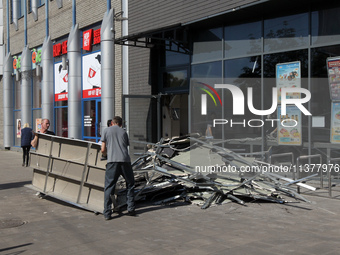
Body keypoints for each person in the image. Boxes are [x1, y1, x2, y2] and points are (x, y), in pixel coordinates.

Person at [101, 116, 136, 220]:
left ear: (112, 123)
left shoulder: (106, 130)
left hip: (112, 161)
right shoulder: (124, 132)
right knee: (130, 184)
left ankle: (107, 213)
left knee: (109, 186)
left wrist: (105, 155)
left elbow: (103, 149)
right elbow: (125, 146)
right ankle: (131, 209)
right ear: (121, 124)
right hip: (125, 161)